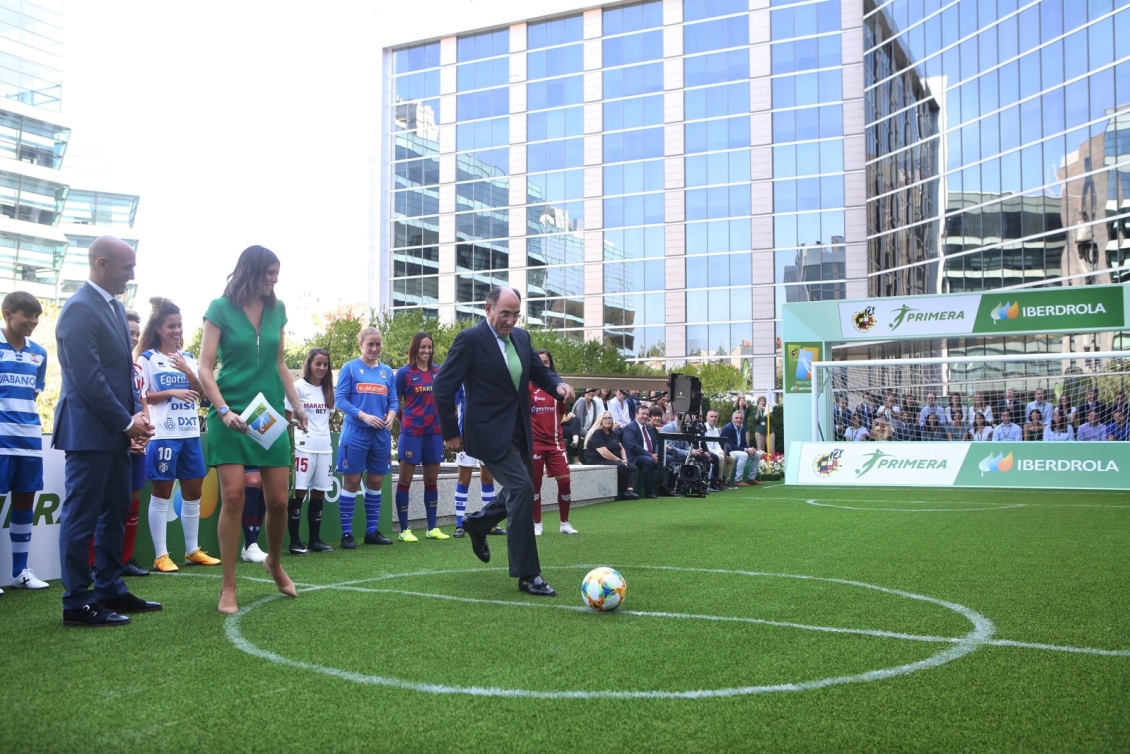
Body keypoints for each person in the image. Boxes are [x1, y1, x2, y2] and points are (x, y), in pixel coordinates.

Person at [433, 286, 575, 598]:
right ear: (488, 309)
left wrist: (560, 385)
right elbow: (442, 386)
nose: (510, 321)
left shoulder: (522, 339)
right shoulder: (470, 340)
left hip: (519, 430)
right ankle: (528, 574)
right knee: (523, 488)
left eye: (515, 315)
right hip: (486, 432)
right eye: (504, 314)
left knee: (519, 488)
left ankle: (478, 523)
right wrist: (451, 433)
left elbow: (540, 373)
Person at [55, 236, 157, 627]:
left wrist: (134, 415)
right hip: (88, 431)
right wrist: (127, 421)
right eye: (126, 268)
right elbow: (87, 380)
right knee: (82, 516)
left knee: (116, 510)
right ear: (101, 264)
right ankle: (77, 601)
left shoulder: (112, 307)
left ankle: (110, 588)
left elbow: (120, 375)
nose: (132, 276)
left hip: (114, 432)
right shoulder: (80, 309)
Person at [197, 245, 304, 615]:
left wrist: (298, 404)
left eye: (277, 273)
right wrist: (222, 410)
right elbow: (205, 368)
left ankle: (273, 561)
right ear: (251, 271)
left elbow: (280, 364)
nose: (275, 280)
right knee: (234, 497)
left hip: (267, 414)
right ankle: (228, 586)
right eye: (270, 273)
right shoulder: (219, 308)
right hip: (229, 412)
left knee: (277, 500)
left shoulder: (278, 309)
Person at [137, 297, 220, 572]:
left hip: (190, 433)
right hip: (163, 435)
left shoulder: (189, 358)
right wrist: (171, 392)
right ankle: (161, 554)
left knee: (193, 493)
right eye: (171, 326)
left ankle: (191, 550)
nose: (177, 331)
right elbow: (141, 395)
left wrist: (188, 372)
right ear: (158, 329)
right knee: (161, 493)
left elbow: (204, 394)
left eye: (180, 326)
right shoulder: (148, 358)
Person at [1, 291, 49, 592]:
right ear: (8, 313)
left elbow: (32, 396)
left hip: (29, 440)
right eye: (27, 315)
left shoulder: (40, 354)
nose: (33, 321)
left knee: (25, 500)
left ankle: (20, 572)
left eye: (36, 317)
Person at [334, 327, 397, 548]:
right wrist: (364, 416)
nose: (374, 348)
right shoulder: (350, 368)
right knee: (351, 481)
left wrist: (391, 416)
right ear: (361, 344)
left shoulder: (387, 371)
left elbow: (393, 401)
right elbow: (339, 400)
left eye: (378, 344)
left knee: (376, 480)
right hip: (356, 433)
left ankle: (371, 531)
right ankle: (347, 534)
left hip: (380, 435)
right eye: (370, 344)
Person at [394, 331, 448, 542]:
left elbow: (446, 400)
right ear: (415, 348)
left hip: (434, 434)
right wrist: (404, 419)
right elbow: (393, 401)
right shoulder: (404, 373)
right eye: (422, 347)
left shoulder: (439, 371)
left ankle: (432, 528)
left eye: (429, 347)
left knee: (431, 479)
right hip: (411, 435)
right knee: (405, 480)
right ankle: (404, 530)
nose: (426, 351)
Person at [285, 348, 335, 553]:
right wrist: (298, 425)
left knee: (319, 493)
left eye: (325, 364)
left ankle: (315, 540)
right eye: (318, 364)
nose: (321, 368)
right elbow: (287, 418)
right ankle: (295, 542)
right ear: (309, 364)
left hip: (324, 447)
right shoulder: (296, 387)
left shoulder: (329, 389)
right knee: (299, 492)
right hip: (302, 447)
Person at [530, 349, 577, 535]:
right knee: (534, 486)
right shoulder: (529, 388)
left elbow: (563, 413)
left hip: (556, 443)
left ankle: (564, 523)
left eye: (546, 362)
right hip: (535, 443)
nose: (543, 365)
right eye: (539, 362)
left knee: (565, 482)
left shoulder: (558, 388)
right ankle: (537, 524)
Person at [451, 384, 499, 539]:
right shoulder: (461, 378)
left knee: (488, 478)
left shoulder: (490, 375)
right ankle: (460, 524)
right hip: (466, 436)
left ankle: (490, 524)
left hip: (488, 435)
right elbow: (452, 407)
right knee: (464, 479)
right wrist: (453, 434)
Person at [584, 411, 637, 499]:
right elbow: (604, 452)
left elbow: (621, 448)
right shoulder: (597, 433)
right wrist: (619, 460)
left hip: (613, 460)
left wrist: (625, 459)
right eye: (605, 418)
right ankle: (623, 492)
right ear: (600, 420)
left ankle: (629, 491)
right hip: (598, 461)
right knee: (621, 466)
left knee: (632, 467)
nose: (608, 420)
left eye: (610, 418)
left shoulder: (612, 433)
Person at [621, 403, 661, 498]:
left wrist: (658, 454)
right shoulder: (630, 427)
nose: (645, 416)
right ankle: (649, 492)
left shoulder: (649, 428)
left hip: (650, 455)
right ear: (636, 414)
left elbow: (655, 443)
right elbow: (633, 446)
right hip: (635, 457)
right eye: (643, 414)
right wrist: (650, 455)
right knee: (649, 461)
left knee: (668, 459)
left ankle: (665, 489)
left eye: (647, 414)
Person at [719, 409, 762, 486]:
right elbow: (731, 445)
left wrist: (750, 449)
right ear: (732, 419)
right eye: (736, 418)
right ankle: (738, 480)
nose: (738, 420)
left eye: (740, 418)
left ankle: (751, 478)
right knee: (744, 455)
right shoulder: (727, 428)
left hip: (738, 450)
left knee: (757, 454)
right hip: (728, 451)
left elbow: (744, 444)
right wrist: (746, 450)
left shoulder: (742, 429)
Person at [703, 409, 735, 489]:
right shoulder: (703, 428)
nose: (713, 418)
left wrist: (722, 452)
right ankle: (719, 481)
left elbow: (716, 444)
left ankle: (726, 481)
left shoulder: (716, 429)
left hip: (715, 451)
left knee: (731, 458)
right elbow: (706, 446)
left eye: (715, 417)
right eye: (711, 416)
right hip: (706, 451)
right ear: (706, 417)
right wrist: (720, 454)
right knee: (721, 457)